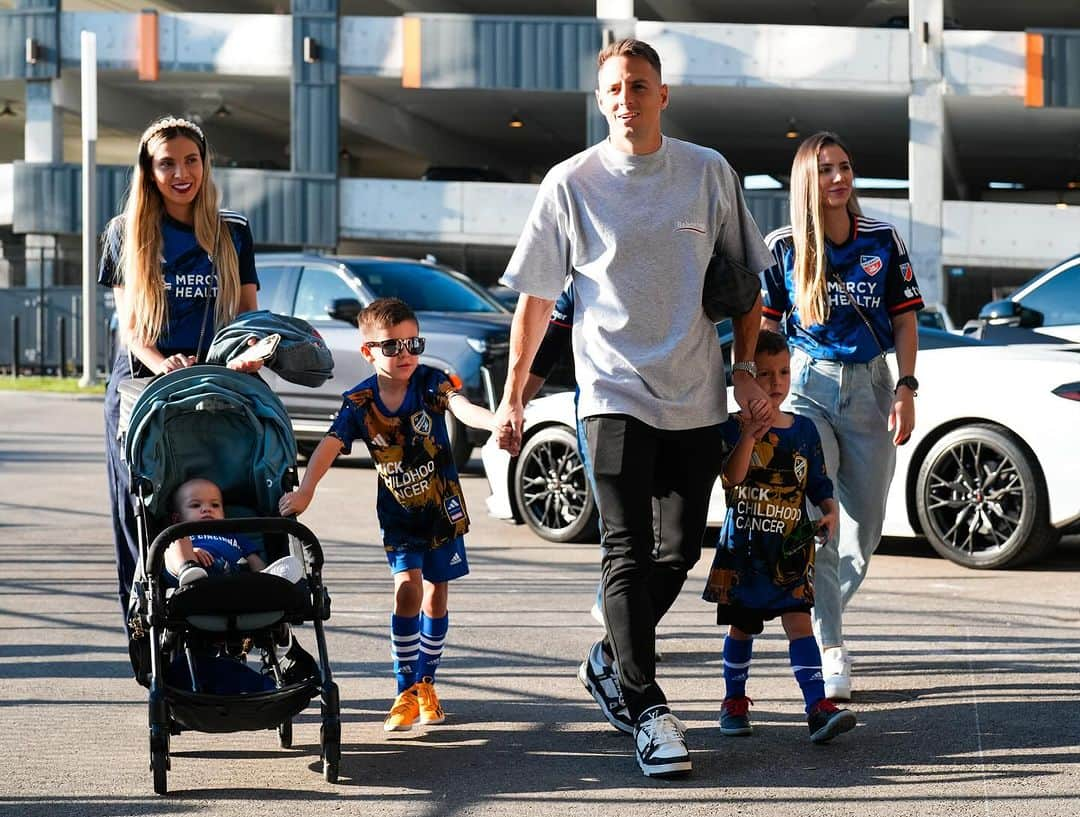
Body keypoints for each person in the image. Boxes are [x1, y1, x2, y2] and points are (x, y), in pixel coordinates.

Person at [495, 38, 774, 778]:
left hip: (696, 390)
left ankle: (611, 660)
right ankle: (650, 709)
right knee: (625, 547)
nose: (627, 99)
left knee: (679, 549)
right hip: (611, 390)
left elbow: (748, 285)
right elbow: (535, 300)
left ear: (663, 94)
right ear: (600, 98)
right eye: (614, 88)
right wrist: (514, 394)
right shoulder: (570, 182)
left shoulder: (708, 171)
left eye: (640, 86)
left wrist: (745, 368)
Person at [278, 297, 496, 732]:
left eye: (413, 343)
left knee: (436, 594)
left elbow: (461, 408)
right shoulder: (359, 402)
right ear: (368, 352)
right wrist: (306, 490)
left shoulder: (431, 382)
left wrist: (496, 421)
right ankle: (404, 690)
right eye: (392, 346)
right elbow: (329, 445)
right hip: (398, 517)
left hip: (443, 512)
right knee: (406, 589)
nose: (405, 354)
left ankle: (426, 684)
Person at [761, 131, 923, 701]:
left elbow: (904, 319)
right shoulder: (782, 246)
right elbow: (768, 327)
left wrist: (906, 386)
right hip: (807, 387)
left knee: (866, 526)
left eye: (845, 168)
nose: (838, 179)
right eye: (826, 170)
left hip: (872, 387)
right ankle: (830, 648)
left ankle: (813, 602)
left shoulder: (882, 238)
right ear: (808, 179)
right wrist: (763, 391)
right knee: (819, 519)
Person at [99, 116, 262, 627]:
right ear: (149, 171)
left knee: (235, 490)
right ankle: (150, 623)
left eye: (191, 160)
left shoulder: (231, 231)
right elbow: (130, 329)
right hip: (143, 390)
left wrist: (248, 352)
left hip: (219, 386)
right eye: (166, 163)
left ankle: (247, 604)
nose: (181, 172)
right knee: (143, 511)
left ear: (204, 163)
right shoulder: (126, 233)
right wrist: (162, 363)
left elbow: (245, 315)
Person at [703, 330, 856, 744]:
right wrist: (751, 433)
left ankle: (816, 708)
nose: (775, 383)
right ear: (745, 377)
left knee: (800, 624)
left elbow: (818, 480)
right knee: (741, 629)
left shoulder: (804, 429)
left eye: (784, 371)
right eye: (764, 373)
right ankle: (733, 701)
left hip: (790, 550)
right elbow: (730, 478)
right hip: (746, 552)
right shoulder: (732, 427)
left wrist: (829, 510)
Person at [164, 477, 303, 587]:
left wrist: (262, 573)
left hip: (227, 574)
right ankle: (188, 569)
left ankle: (270, 581)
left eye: (215, 505)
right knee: (173, 539)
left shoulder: (233, 533)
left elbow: (253, 560)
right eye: (195, 505)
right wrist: (191, 553)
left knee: (250, 569)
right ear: (177, 518)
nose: (207, 509)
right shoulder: (184, 532)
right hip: (188, 572)